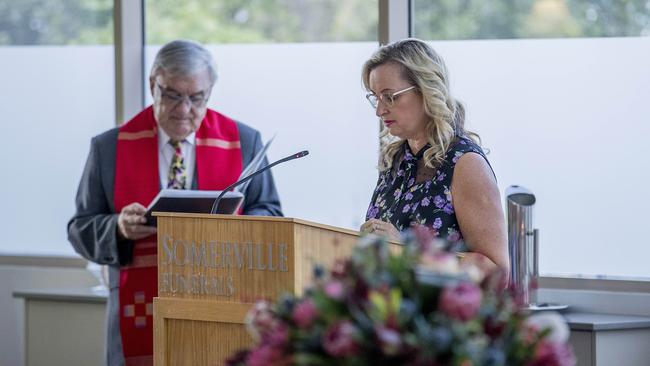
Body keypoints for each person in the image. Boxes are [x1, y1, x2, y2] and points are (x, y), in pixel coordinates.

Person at [67, 39, 282, 366]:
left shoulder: (244, 141)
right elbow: (79, 228)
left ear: (210, 91)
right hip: (139, 309)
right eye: (171, 95)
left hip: (222, 305)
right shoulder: (109, 148)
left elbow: (271, 213)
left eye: (196, 98)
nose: (184, 110)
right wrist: (118, 227)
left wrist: (239, 225)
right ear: (153, 84)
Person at [359, 38, 508, 274]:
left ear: (426, 90)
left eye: (390, 97)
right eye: (375, 97)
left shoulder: (465, 163)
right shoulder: (395, 159)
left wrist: (407, 251)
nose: (380, 110)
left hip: (443, 311)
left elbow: (496, 272)